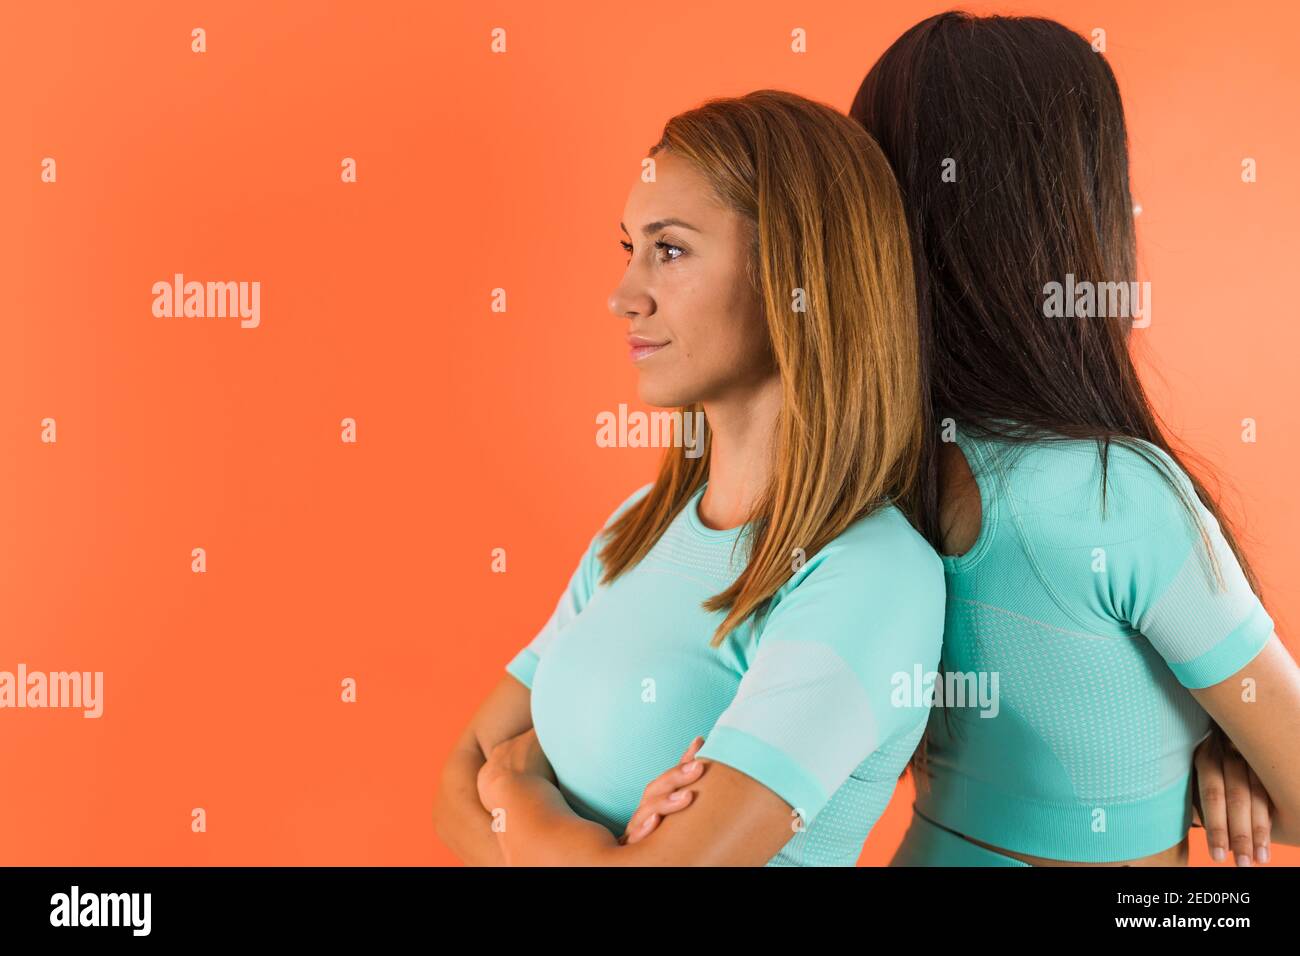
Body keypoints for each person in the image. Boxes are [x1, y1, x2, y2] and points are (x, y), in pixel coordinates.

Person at [433, 89, 946, 865]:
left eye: (668, 251)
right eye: (628, 249)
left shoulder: (870, 574)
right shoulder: (636, 528)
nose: (623, 296)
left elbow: (489, 779)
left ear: (795, 276)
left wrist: (519, 794)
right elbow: (454, 785)